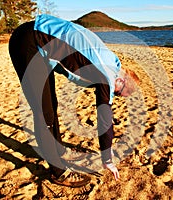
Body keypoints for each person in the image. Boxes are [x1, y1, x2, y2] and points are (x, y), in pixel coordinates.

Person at [8, 14, 139, 187]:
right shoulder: (107, 74)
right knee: (44, 113)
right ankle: (58, 172)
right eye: (119, 93)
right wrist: (107, 159)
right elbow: (104, 118)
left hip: (39, 44)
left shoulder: (114, 64)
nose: (116, 96)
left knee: (50, 105)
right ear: (121, 81)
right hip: (28, 42)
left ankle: (57, 148)